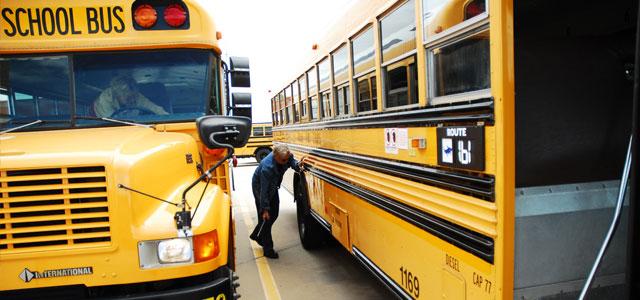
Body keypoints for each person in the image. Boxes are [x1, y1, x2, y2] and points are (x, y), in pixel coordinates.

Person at [250, 144, 306, 258]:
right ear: (275, 156)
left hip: (273, 186)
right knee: (266, 217)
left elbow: (292, 163)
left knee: (274, 213)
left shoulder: (286, 156)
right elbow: (263, 191)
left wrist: (297, 164)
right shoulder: (267, 167)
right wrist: (264, 209)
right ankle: (268, 249)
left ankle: (257, 235)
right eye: (283, 160)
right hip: (260, 187)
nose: (286, 161)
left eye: (287, 158)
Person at [93, 75, 169, 117]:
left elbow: (156, 109)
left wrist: (167, 118)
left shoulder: (137, 97)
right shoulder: (105, 99)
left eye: (135, 96)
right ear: (118, 94)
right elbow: (109, 123)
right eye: (129, 97)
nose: (133, 100)